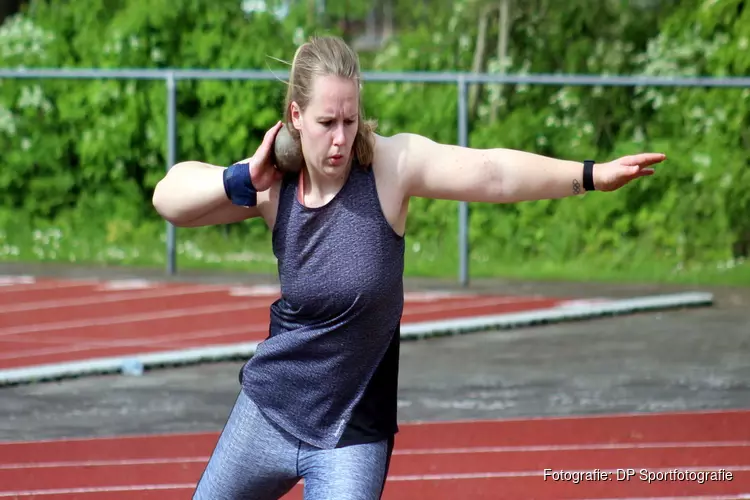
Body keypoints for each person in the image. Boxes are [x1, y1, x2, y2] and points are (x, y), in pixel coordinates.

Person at [152, 35, 665, 500]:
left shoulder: (389, 168)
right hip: (269, 409)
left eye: (350, 121)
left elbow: (493, 173)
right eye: (327, 122)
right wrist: (242, 176)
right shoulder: (272, 186)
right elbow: (170, 197)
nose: (340, 139)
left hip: (352, 430)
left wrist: (592, 175)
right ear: (295, 117)